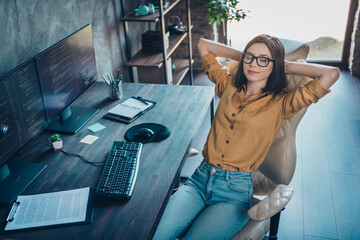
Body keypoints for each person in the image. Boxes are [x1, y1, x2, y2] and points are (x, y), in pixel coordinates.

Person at [153, 34, 340, 240]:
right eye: (249, 57)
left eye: (263, 60)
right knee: (153, 235)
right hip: (199, 180)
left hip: (233, 194)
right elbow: (204, 45)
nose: (253, 64)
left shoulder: (283, 103)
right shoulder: (228, 85)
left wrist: (284, 65)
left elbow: (331, 74)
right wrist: (247, 56)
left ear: (274, 65)